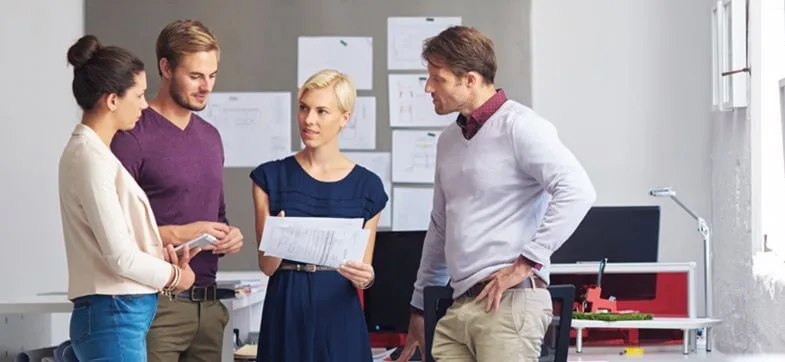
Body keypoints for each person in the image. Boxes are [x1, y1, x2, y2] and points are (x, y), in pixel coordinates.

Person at [397, 26, 597, 362]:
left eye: (438, 78)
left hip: (509, 302)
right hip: (460, 307)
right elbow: (440, 226)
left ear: (470, 80)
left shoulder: (521, 126)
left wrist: (526, 263)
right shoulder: (448, 141)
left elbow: (578, 190)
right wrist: (418, 309)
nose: (429, 87)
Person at [108, 19, 243, 362]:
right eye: (196, 76)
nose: (206, 86)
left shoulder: (211, 137)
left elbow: (218, 216)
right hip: (156, 307)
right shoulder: (132, 135)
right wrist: (184, 232)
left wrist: (229, 236)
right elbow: (116, 234)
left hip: (210, 308)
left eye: (212, 75)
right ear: (165, 68)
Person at [59, 34, 199, 362]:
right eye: (138, 95)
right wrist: (177, 277)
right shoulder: (90, 158)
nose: (144, 104)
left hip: (117, 315)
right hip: (113, 316)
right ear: (111, 100)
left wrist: (162, 260)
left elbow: (118, 246)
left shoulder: (95, 154)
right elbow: (120, 258)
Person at [250, 69, 386, 362]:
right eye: (303, 108)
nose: (308, 119)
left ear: (344, 117)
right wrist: (278, 238)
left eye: (322, 111)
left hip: (339, 311)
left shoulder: (369, 187)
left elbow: (362, 273)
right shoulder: (269, 177)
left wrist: (368, 277)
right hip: (286, 307)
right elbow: (267, 266)